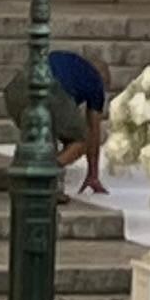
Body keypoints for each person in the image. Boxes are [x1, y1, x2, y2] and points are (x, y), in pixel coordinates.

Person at [47, 50, 109, 196]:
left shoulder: (67, 60)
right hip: (57, 96)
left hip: (21, 95)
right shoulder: (96, 80)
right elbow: (93, 130)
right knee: (81, 141)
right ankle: (45, 173)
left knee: (50, 134)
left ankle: (47, 174)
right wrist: (93, 174)